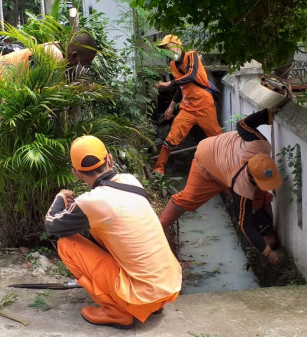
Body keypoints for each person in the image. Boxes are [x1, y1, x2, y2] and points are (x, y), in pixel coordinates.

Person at [44, 135, 182, 329]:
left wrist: (60, 197)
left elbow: (52, 224)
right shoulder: (131, 181)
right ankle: (149, 304)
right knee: (104, 234)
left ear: (76, 173)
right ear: (109, 159)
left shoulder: (91, 202)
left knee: (67, 244)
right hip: (170, 285)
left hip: (142, 295)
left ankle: (116, 312)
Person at [158, 104, 286, 265]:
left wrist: (267, 113)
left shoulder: (261, 145)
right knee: (187, 199)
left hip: (227, 163)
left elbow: (243, 125)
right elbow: (245, 224)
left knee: (261, 197)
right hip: (206, 161)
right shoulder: (241, 184)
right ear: (251, 177)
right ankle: (158, 228)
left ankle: (267, 231)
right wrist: (268, 252)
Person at [153, 34, 222, 175]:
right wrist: (171, 106)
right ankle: (159, 169)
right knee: (171, 138)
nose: (168, 51)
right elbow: (181, 86)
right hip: (187, 108)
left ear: (178, 45)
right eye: (165, 49)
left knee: (217, 139)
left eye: (169, 47)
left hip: (204, 105)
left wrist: (168, 83)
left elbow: (191, 75)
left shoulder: (192, 56)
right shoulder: (172, 65)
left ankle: (225, 168)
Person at [0, 32, 98, 97]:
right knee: (0, 140)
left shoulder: (60, 53)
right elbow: (40, 93)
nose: (86, 68)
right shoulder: (53, 56)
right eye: (86, 63)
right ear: (74, 56)